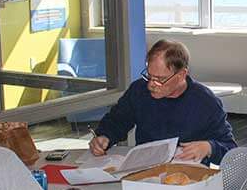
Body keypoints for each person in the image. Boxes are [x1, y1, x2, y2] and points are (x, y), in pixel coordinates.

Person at [89, 39, 237, 165]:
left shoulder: (205, 102)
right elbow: (117, 121)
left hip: (188, 178)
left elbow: (230, 149)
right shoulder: (139, 90)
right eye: (149, 76)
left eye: (160, 79)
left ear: (181, 75)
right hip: (145, 170)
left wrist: (209, 147)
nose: (151, 85)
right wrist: (104, 136)